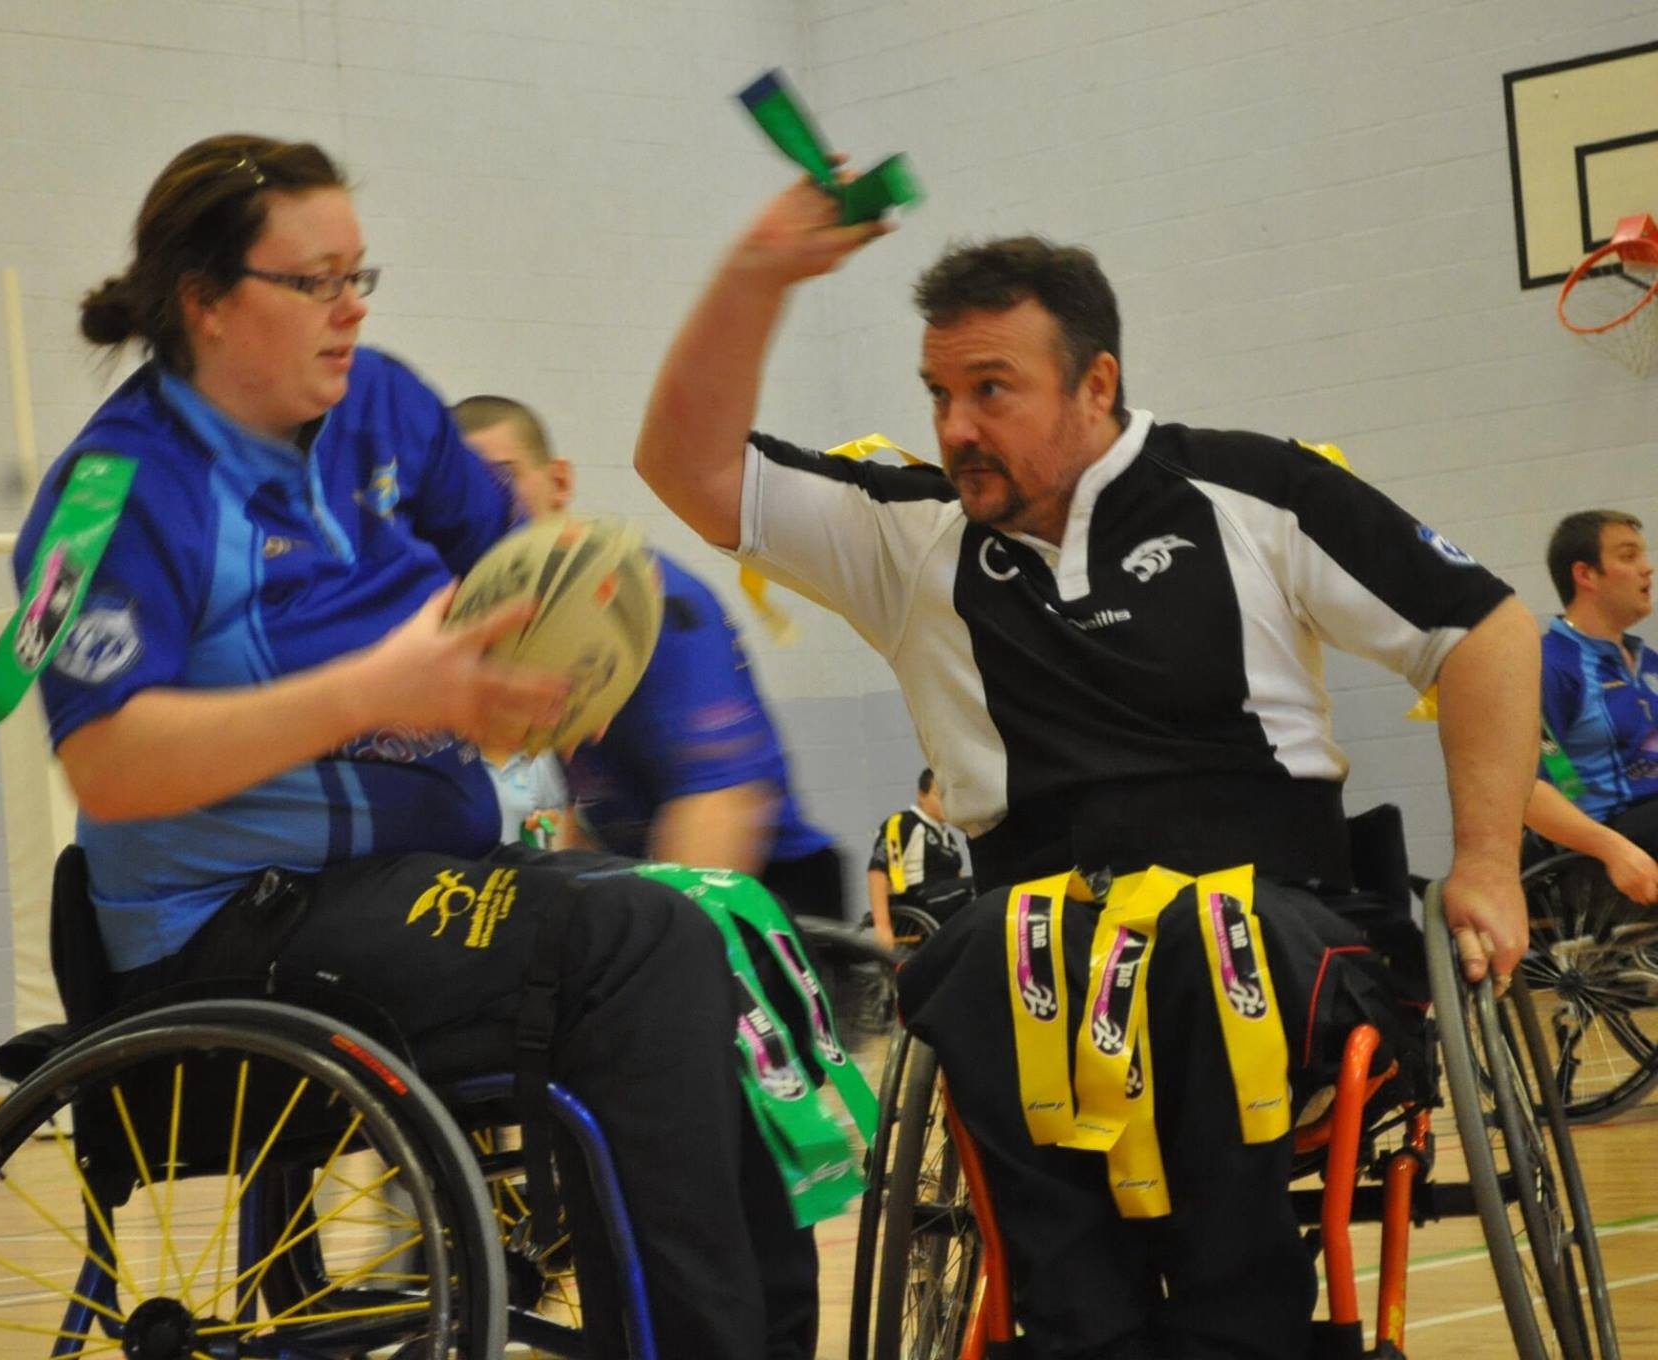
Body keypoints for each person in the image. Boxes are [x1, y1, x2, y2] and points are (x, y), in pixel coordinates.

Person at [633, 176, 1537, 1359]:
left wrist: (1487, 862)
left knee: (1200, 943)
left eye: (990, 389)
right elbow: (684, 467)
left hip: (1268, 912)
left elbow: (1482, 630)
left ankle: (1241, 1329)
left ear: (1094, 383)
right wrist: (758, 272)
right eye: (939, 395)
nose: (955, 426)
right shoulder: (906, 533)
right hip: (1037, 932)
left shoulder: (1250, 491)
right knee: (984, 957)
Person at [15, 134, 814, 1360]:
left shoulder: (382, 403)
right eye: (313, 282)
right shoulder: (104, 498)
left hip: (412, 889)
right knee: (633, 941)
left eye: (359, 276)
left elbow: (516, 579)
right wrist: (374, 691)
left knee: (710, 917)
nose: (350, 309)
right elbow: (108, 763)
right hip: (230, 933)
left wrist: (568, 638)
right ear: (205, 301)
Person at [452, 393, 850, 924]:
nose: (478, 507)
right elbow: (574, 818)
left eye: (500, 479)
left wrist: (645, 947)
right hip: (644, 875)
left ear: (559, 482)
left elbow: (723, 804)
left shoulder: (652, 601)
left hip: (768, 890)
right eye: (456, 491)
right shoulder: (513, 625)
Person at [1524, 509, 1658, 904]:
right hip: (1608, 835)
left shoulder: (1647, 662)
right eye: (1629, 556)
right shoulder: (1552, 668)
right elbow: (1527, 789)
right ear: (1586, 575)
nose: (1647, 568)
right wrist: (1613, 849)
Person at [866, 767, 973, 945]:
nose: (946, 802)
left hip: (945, 903)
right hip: (917, 900)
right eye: (939, 795)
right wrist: (882, 925)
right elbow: (878, 870)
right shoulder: (904, 823)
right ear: (921, 795)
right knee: (977, 887)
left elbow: (958, 880)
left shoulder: (948, 837)